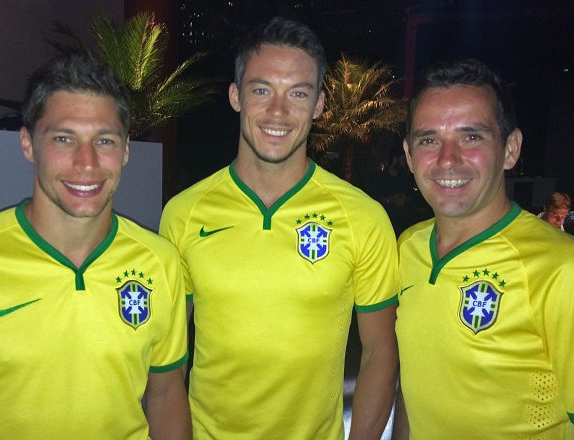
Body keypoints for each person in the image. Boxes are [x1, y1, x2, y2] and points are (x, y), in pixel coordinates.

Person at [160, 17, 399, 440]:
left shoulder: (361, 217)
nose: (278, 111)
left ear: (319, 105)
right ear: (236, 96)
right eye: (261, 90)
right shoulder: (184, 214)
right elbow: (167, 363)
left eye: (298, 94)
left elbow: (381, 351)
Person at [0, 56, 191, 439]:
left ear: (126, 150)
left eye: (104, 140)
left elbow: (166, 393)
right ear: (28, 144)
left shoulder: (159, 261)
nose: (86, 163)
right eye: (64, 139)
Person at [393, 59, 574, 439]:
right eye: (429, 140)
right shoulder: (408, 248)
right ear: (409, 154)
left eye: (471, 137)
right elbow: (415, 381)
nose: (447, 159)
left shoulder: (568, 271)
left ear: (510, 149)